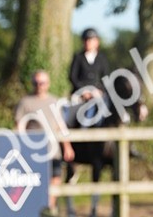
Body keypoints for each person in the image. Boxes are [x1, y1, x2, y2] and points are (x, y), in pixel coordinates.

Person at [14, 69, 74, 202]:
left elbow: (60, 126)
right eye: (36, 83)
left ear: (48, 84)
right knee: (36, 186)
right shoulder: (25, 102)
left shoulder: (55, 101)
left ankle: (50, 212)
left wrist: (67, 146)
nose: (39, 86)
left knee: (55, 180)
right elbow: (19, 127)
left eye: (42, 83)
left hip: (53, 151)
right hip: (34, 152)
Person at [69, 28, 110, 98]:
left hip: (97, 93)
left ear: (97, 42)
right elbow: (73, 77)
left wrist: (100, 90)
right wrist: (83, 91)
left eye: (90, 40)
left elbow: (106, 76)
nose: (88, 42)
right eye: (86, 40)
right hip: (81, 93)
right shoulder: (78, 57)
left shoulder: (102, 58)